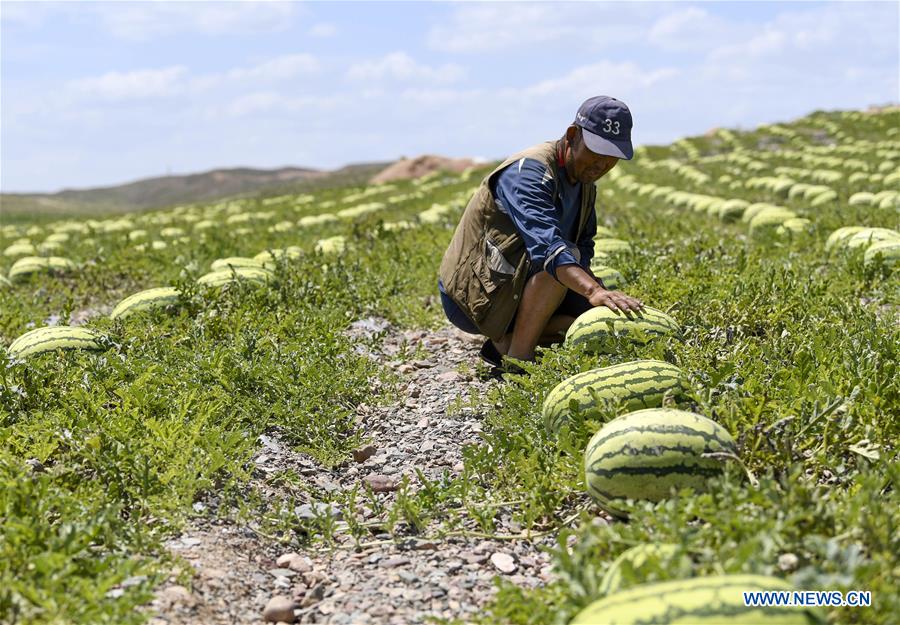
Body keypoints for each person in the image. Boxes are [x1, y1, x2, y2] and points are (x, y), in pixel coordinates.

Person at [437, 96, 644, 374]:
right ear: (572, 135)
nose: (602, 164)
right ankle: (517, 362)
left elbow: (584, 245)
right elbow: (548, 249)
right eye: (596, 152)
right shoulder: (528, 173)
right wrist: (593, 290)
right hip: (474, 294)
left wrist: (597, 297)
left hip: (518, 281)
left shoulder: (584, 183)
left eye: (612, 158)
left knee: (594, 320)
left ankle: (505, 343)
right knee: (557, 272)